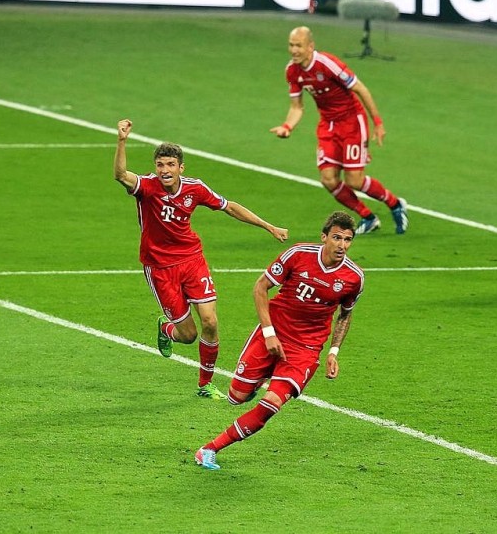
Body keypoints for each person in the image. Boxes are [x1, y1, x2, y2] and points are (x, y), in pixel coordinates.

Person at [114, 118, 289, 400]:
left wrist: (268, 226)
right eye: (160, 165)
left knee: (210, 321)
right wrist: (122, 141)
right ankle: (167, 327)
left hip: (192, 260)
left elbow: (229, 207)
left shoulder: (195, 189)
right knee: (188, 335)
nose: (165, 170)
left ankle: (204, 384)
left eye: (170, 165)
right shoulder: (146, 187)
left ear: (181, 168)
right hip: (159, 267)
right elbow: (121, 175)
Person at [194, 211, 364, 470]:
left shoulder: (354, 278)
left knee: (272, 404)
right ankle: (262, 376)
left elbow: (345, 314)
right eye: (337, 238)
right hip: (273, 332)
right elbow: (260, 287)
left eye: (348, 240)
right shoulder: (298, 254)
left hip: (306, 348)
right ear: (324, 237)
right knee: (236, 396)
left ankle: (210, 448)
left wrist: (334, 351)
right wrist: (269, 333)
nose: (342, 245)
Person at [270, 26, 407, 235]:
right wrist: (287, 126)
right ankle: (368, 217)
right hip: (328, 125)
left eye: (299, 45)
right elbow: (297, 106)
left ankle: (395, 204)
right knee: (328, 179)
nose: (294, 50)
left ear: (310, 46)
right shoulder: (292, 71)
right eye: (291, 45)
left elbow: (361, 89)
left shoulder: (327, 64)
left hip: (352, 121)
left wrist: (377, 123)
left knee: (355, 181)